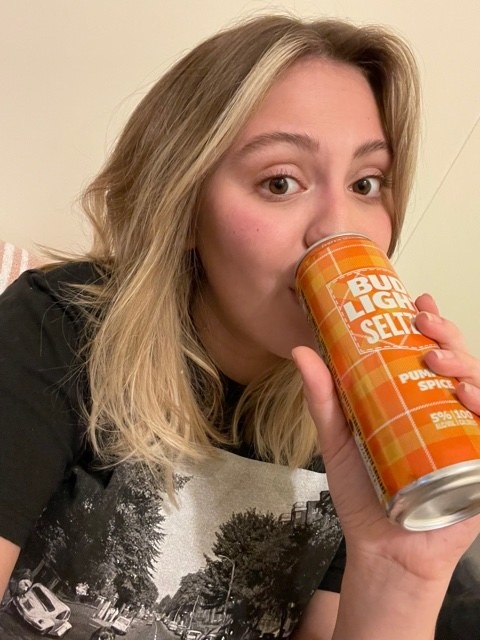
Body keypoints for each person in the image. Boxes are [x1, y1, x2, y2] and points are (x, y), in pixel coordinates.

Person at [0, 13, 479, 640]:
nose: (341, 229)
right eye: (280, 182)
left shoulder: (361, 426)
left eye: (367, 183)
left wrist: (401, 569)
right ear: (185, 211)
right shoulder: (55, 327)